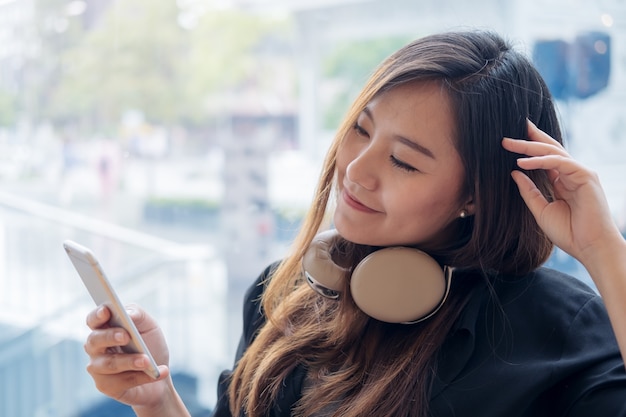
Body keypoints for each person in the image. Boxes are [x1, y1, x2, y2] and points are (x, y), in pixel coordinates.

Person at [83, 30, 626, 416]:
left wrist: (604, 249)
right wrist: (157, 400)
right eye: (362, 130)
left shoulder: (562, 332)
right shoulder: (284, 292)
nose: (357, 171)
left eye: (404, 161)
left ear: (475, 196)